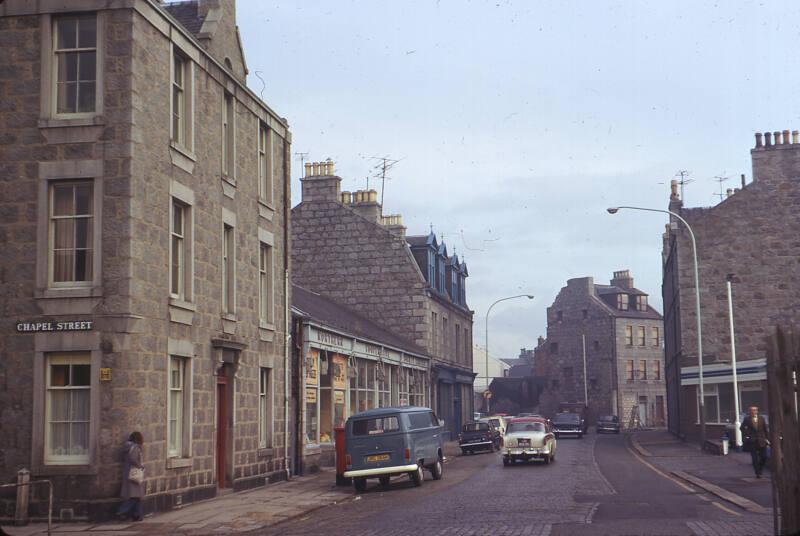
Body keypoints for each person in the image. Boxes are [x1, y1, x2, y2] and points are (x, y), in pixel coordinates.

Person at [116, 431, 145, 521]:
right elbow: (133, 459)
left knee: (137, 496)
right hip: (134, 474)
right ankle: (122, 511)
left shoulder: (128, 447)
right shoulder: (135, 447)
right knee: (135, 496)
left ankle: (137, 515)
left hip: (128, 472)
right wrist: (140, 466)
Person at [740, 406, 769, 478]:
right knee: (754, 458)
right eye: (752, 411)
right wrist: (747, 435)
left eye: (755, 410)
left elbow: (765, 429)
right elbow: (742, 428)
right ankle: (758, 473)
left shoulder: (761, 419)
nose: (753, 412)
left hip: (762, 440)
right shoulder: (747, 419)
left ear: (757, 411)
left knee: (764, 456)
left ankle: (760, 468)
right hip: (752, 441)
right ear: (750, 412)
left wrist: (768, 439)